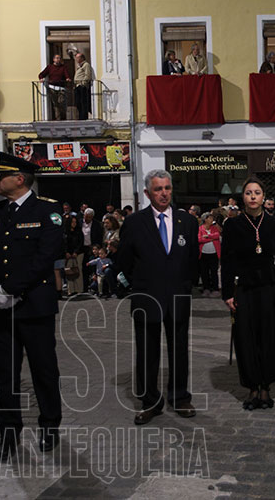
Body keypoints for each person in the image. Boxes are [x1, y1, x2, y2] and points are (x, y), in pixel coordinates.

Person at [0, 152, 64, 460]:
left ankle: (50, 425)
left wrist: (11, 289)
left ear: (20, 179)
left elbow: (45, 257)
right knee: (6, 374)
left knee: (44, 371)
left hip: (34, 306)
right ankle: (9, 432)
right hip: (0, 308)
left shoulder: (47, 210)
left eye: (1, 176)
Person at [117, 170, 199, 423]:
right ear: (147, 193)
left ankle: (180, 397)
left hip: (178, 297)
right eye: (158, 189)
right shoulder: (134, 223)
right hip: (146, 298)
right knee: (146, 353)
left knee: (179, 350)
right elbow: (124, 261)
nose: (164, 193)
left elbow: (192, 260)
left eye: (167, 188)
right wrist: (140, 285)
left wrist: (185, 286)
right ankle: (150, 402)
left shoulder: (188, 221)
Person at [221, 178, 275, 409]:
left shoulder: (274, 223)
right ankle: (252, 387)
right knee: (246, 338)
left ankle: (265, 386)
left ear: (263, 197)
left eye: (257, 192)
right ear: (243, 197)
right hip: (244, 289)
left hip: (270, 287)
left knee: (271, 338)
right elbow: (227, 261)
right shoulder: (232, 225)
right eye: (248, 193)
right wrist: (228, 292)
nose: (253, 196)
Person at [38, 54, 72, 121]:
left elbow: (67, 75)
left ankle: (63, 117)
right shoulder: (50, 67)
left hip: (61, 88)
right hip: (52, 88)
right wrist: (41, 78)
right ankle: (58, 118)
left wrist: (68, 78)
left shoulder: (63, 67)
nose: (58, 59)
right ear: (53, 59)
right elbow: (41, 74)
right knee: (55, 104)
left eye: (59, 58)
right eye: (57, 58)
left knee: (61, 102)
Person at [198, 213, 221, 297]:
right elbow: (199, 239)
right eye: (210, 218)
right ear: (205, 219)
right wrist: (210, 239)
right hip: (203, 254)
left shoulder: (214, 228)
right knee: (204, 272)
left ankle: (215, 289)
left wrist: (207, 236)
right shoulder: (200, 228)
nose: (212, 220)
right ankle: (206, 288)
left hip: (214, 254)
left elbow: (217, 235)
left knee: (214, 272)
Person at [63, 215, 85, 296]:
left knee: (78, 270)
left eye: (75, 222)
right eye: (72, 222)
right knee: (69, 271)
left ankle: (79, 290)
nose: (74, 224)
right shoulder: (65, 232)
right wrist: (66, 252)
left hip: (78, 254)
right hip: (68, 255)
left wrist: (76, 252)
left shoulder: (79, 232)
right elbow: (63, 243)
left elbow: (80, 243)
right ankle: (71, 290)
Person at [73, 53, 93, 120]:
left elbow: (88, 75)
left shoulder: (86, 65)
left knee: (83, 102)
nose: (76, 59)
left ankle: (84, 117)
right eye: (76, 57)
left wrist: (83, 83)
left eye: (78, 57)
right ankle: (80, 116)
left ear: (82, 58)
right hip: (77, 86)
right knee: (78, 102)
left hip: (82, 86)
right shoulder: (79, 66)